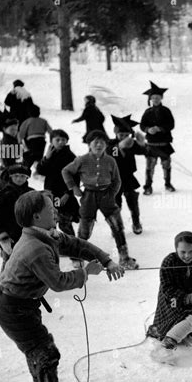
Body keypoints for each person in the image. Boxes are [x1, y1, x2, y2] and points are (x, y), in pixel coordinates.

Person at [0, 190, 124, 382]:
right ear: (36, 217)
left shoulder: (45, 234)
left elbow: (75, 244)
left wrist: (106, 260)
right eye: (49, 208)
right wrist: (85, 273)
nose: (54, 209)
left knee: (38, 353)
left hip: (24, 305)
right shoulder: (35, 248)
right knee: (45, 354)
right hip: (13, 309)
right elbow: (58, 281)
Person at [62, 130, 139, 270]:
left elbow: (117, 180)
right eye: (95, 142)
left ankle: (124, 257)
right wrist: (73, 188)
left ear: (106, 145)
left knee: (117, 226)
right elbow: (66, 171)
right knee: (84, 231)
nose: (99, 145)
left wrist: (112, 194)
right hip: (89, 197)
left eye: (102, 142)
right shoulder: (82, 160)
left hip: (106, 196)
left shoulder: (110, 160)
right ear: (89, 144)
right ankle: (78, 257)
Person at [148, 231, 192, 365]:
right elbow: (167, 289)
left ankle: (181, 332)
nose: (187, 255)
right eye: (183, 252)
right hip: (172, 303)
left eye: (191, 251)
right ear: (176, 249)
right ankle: (165, 346)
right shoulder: (169, 262)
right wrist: (187, 297)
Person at [0, 164, 34, 270]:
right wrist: (3, 237)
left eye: (22, 176)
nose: (19, 179)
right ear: (11, 177)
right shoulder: (4, 194)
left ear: (27, 178)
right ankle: (4, 286)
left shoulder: (31, 193)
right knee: (9, 266)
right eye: (16, 176)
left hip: (28, 236)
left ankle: (23, 286)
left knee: (27, 266)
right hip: (10, 238)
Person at [107, 115, 146, 235]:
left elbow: (144, 152)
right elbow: (111, 153)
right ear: (116, 133)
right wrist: (119, 147)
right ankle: (116, 226)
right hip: (114, 179)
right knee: (115, 204)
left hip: (128, 178)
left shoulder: (131, 144)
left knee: (133, 201)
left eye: (125, 135)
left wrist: (142, 143)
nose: (123, 137)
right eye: (120, 135)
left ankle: (136, 222)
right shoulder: (111, 144)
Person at [36, 129, 79, 238]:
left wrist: (68, 194)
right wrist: (46, 158)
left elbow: (76, 177)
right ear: (51, 141)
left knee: (65, 223)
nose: (60, 142)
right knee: (51, 222)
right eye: (57, 139)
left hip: (64, 194)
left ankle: (73, 246)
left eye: (63, 140)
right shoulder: (50, 155)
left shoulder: (71, 157)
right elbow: (41, 171)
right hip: (50, 193)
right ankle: (54, 246)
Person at [140, 81, 175, 195]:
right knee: (150, 167)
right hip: (151, 145)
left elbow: (171, 125)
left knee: (166, 166)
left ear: (161, 98)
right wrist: (148, 130)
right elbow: (142, 125)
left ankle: (168, 184)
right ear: (150, 99)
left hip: (164, 145)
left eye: (157, 97)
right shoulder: (147, 112)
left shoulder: (166, 111)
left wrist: (160, 128)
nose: (155, 99)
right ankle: (148, 186)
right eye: (153, 97)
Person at [0, 119, 23, 190]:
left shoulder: (11, 139)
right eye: (12, 130)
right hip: (9, 170)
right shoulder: (7, 141)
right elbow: (7, 159)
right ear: (5, 129)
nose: (14, 132)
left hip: (10, 169)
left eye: (16, 130)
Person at [18, 104, 52, 170]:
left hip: (31, 140)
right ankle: (39, 167)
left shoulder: (27, 121)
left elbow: (22, 132)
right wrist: (52, 139)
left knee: (31, 155)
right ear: (39, 112)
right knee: (39, 155)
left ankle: (27, 168)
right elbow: (50, 131)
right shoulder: (43, 121)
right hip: (41, 140)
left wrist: (20, 141)